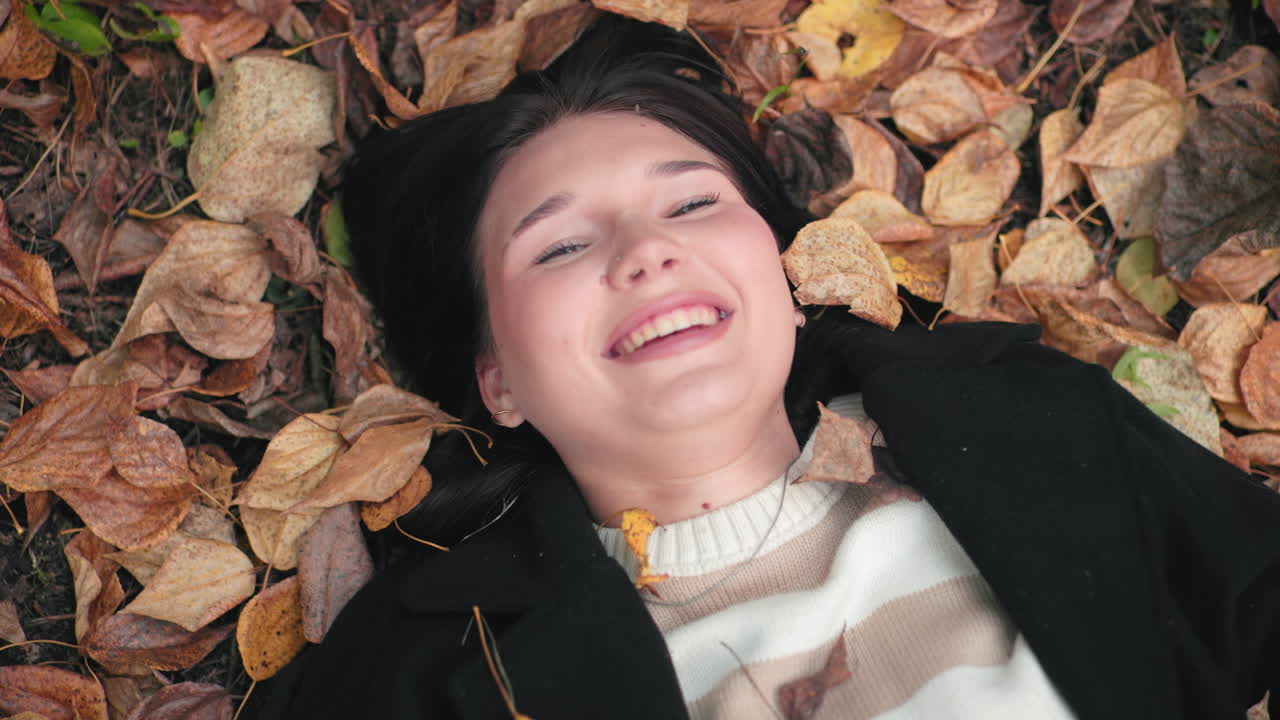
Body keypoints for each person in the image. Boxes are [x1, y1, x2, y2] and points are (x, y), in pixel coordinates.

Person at [246, 15, 1280, 720]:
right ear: (495, 381)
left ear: (782, 275)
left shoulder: (1029, 419)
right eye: (558, 246)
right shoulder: (433, 666)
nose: (645, 250)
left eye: (692, 201)